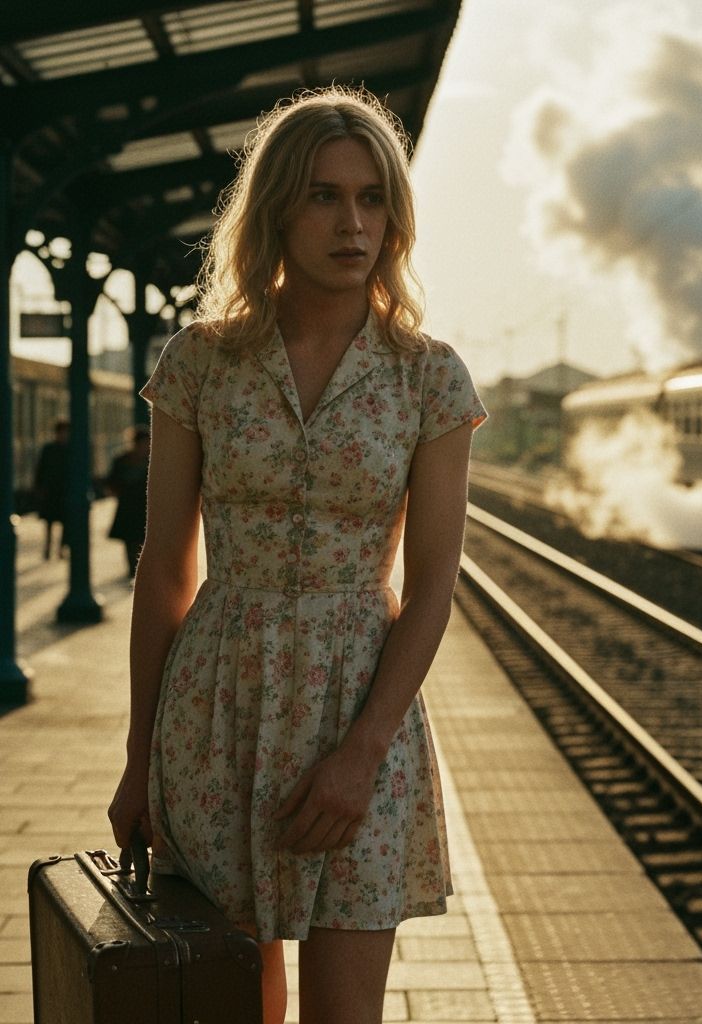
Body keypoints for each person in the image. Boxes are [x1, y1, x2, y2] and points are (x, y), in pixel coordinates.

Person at [107, 86, 486, 1024]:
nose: (352, 222)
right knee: (233, 1006)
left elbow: (434, 581)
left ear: (394, 217)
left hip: (363, 707)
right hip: (214, 709)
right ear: (276, 207)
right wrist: (137, 754)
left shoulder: (428, 376)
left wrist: (361, 753)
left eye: (371, 198)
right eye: (323, 195)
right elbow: (165, 570)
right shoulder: (201, 362)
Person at [105, 426, 150, 577]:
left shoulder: (152, 461)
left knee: (142, 538)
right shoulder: (122, 461)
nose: (145, 447)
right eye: (143, 443)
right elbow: (112, 482)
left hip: (144, 507)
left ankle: (139, 569)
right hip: (128, 505)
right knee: (130, 540)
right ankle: (132, 569)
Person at [33, 419, 69, 560]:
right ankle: (48, 548)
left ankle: (61, 548)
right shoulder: (49, 449)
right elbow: (41, 469)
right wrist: (39, 487)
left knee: (65, 522)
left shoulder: (69, 449)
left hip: (64, 491)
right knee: (49, 522)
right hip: (51, 490)